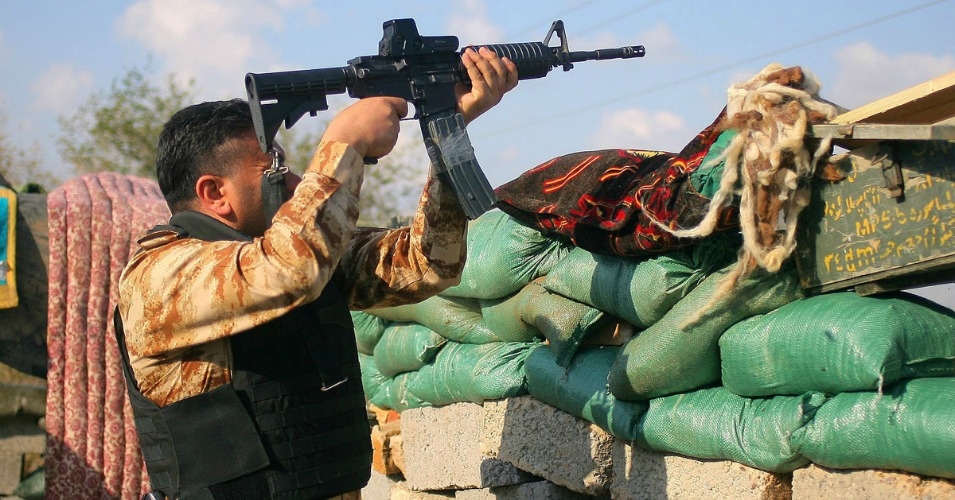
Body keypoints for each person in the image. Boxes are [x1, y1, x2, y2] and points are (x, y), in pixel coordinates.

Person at [115, 46, 518, 500]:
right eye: (274, 170)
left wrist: (451, 133)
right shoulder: (161, 275)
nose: (291, 183)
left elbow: (426, 263)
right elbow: (290, 268)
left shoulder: (285, 256)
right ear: (215, 194)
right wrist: (346, 141)